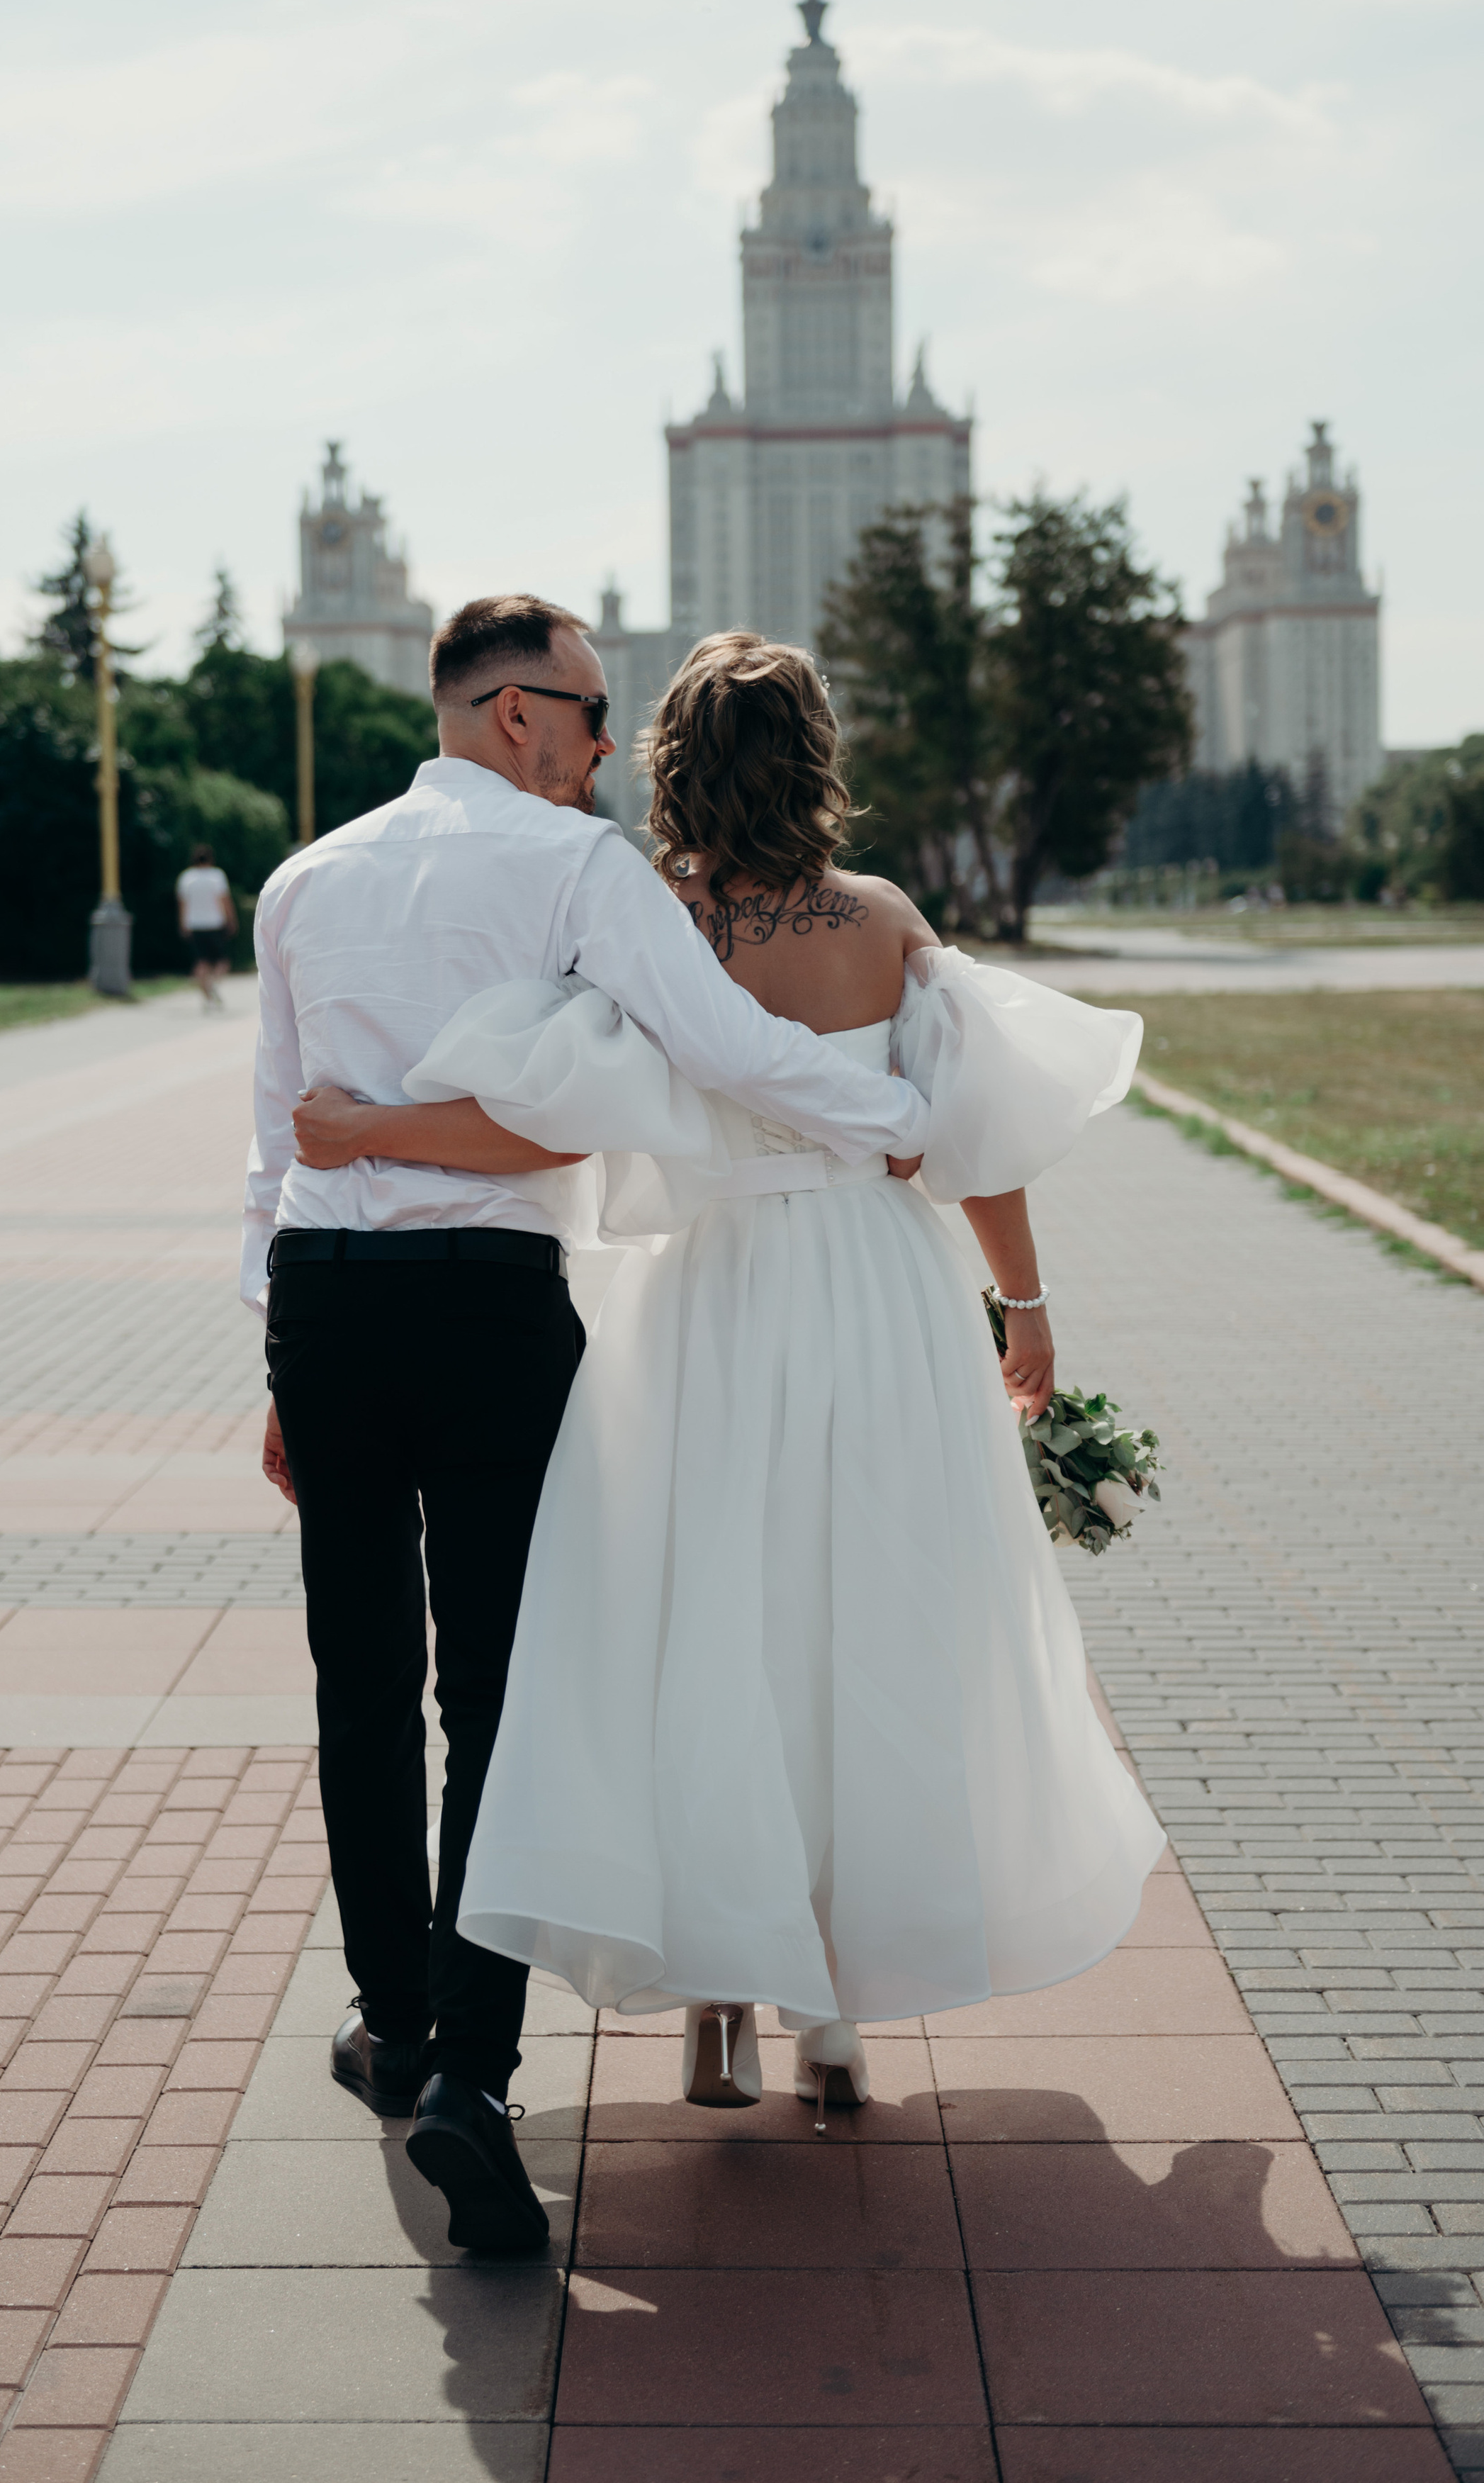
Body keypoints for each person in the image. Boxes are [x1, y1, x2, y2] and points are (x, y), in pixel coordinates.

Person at [293, 631, 1164, 2129]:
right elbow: (972, 1136)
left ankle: (717, 2001)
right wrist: (1022, 1305)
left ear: (675, 762)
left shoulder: (654, 918)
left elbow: (554, 1109)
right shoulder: (882, 920)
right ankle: (831, 2013)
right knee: (865, 1622)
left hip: (701, 1298)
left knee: (714, 1630)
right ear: (816, 756)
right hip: (875, 1298)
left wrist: (370, 1133)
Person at [243, 595, 933, 2255]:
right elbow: (726, 1048)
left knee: (355, 1676)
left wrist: (272, 1353)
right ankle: (472, 2074)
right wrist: (893, 1112)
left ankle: (389, 2021)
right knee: (496, 1684)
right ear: (512, 714)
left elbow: (271, 1141)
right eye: (588, 713)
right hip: (488, 1302)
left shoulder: (302, 879)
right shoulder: (575, 867)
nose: (606, 749)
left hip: (324, 1298)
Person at [175, 843, 237, 1009]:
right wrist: (231, 920)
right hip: (215, 923)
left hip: (195, 924)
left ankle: (207, 996)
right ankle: (213, 985)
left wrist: (183, 924)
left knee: (201, 962)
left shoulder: (186, 878)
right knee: (222, 961)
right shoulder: (217, 876)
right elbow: (225, 900)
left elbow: (182, 904)